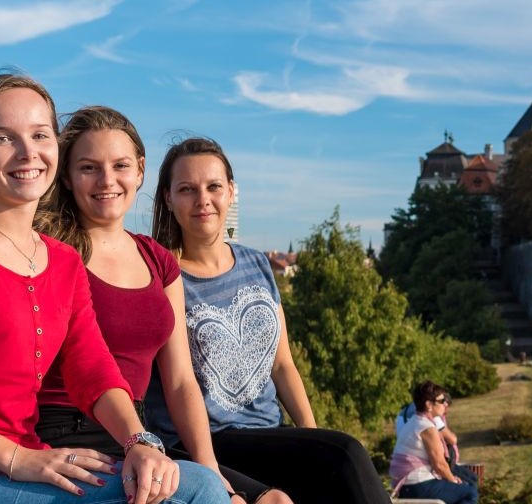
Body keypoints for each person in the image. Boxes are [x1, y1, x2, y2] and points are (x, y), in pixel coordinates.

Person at [0, 73, 227, 504]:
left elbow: (93, 370)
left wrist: (139, 443)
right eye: (4, 138)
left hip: (31, 463)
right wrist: (16, 458)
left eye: (40, 135)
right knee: (197, 493)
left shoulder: (63, 261)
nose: (28, 152)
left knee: (189, 482)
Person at [31, 106, 287, 504]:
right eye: (88, 168)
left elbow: (181, 381)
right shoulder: (52, 253)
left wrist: (214, 472)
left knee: (272, 500)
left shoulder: (157, 260)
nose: (107, 181)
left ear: (140, 170)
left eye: (120, 165)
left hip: (138, 436)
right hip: (67, 433)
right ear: (66, 176)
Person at [142, 137, 385, 503]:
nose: (202, 199)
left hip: (269, 435)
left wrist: (313, 438)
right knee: (346, 453)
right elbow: (176, 381)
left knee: (339, 460)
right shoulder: (164, 277)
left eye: (214, 187)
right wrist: (328, 452)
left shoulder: (257, 264)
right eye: (187, 189)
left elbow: (283, 366)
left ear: (232, 192)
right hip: (209, 441)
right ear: (168, 198)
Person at [390, 382, 476, 504]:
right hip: (417, 485)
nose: (445, 404)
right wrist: (453, 480)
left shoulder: (415, 421)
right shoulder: (426, 427)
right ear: (429, 404)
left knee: (464, 487)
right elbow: (439, 464)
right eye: (441, 401)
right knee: (470, 492)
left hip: (408, 485)